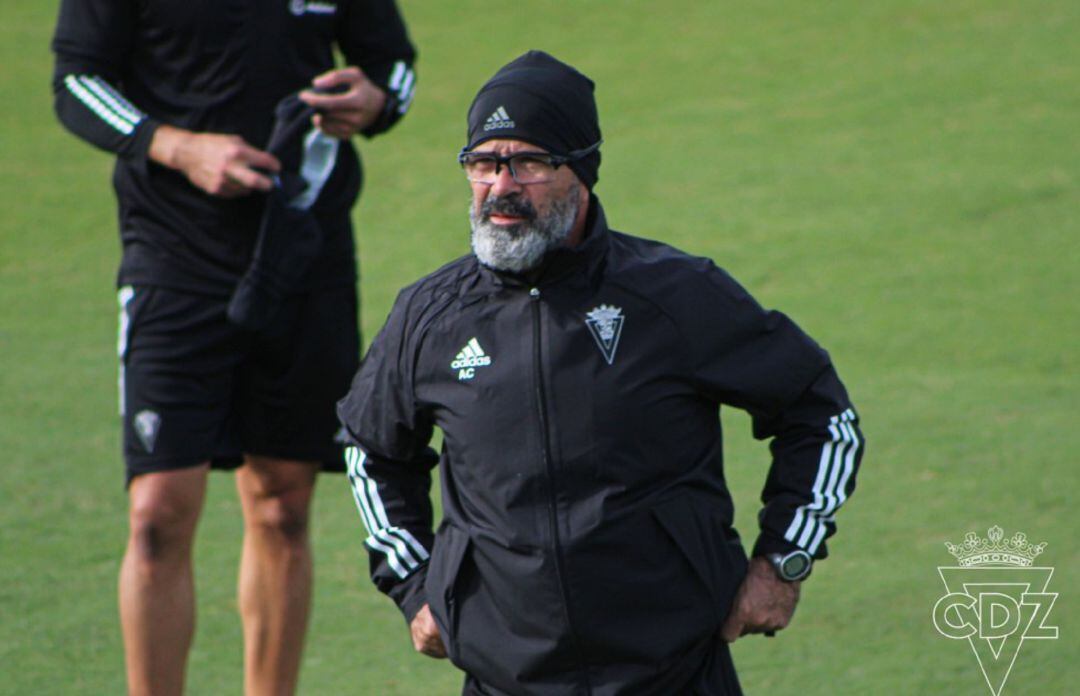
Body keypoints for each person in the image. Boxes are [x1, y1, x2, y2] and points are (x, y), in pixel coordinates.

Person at [337, 50, 864, 695]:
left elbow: (821, 413)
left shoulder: (675, 295)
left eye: (528, 161)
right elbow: (371, 448)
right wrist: (416, 587)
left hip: (673, 674)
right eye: (483, 162)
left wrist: (783, 560)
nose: (500, 187)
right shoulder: (431, 314)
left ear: (580, 171)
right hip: (503, 678)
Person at [50, 1, 416, 694]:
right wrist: (177, 145)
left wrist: (374, 100)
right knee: (156, 512)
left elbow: (392, 63)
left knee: (283, 503)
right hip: (173, 254)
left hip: (304, 249)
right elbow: (76, 80)